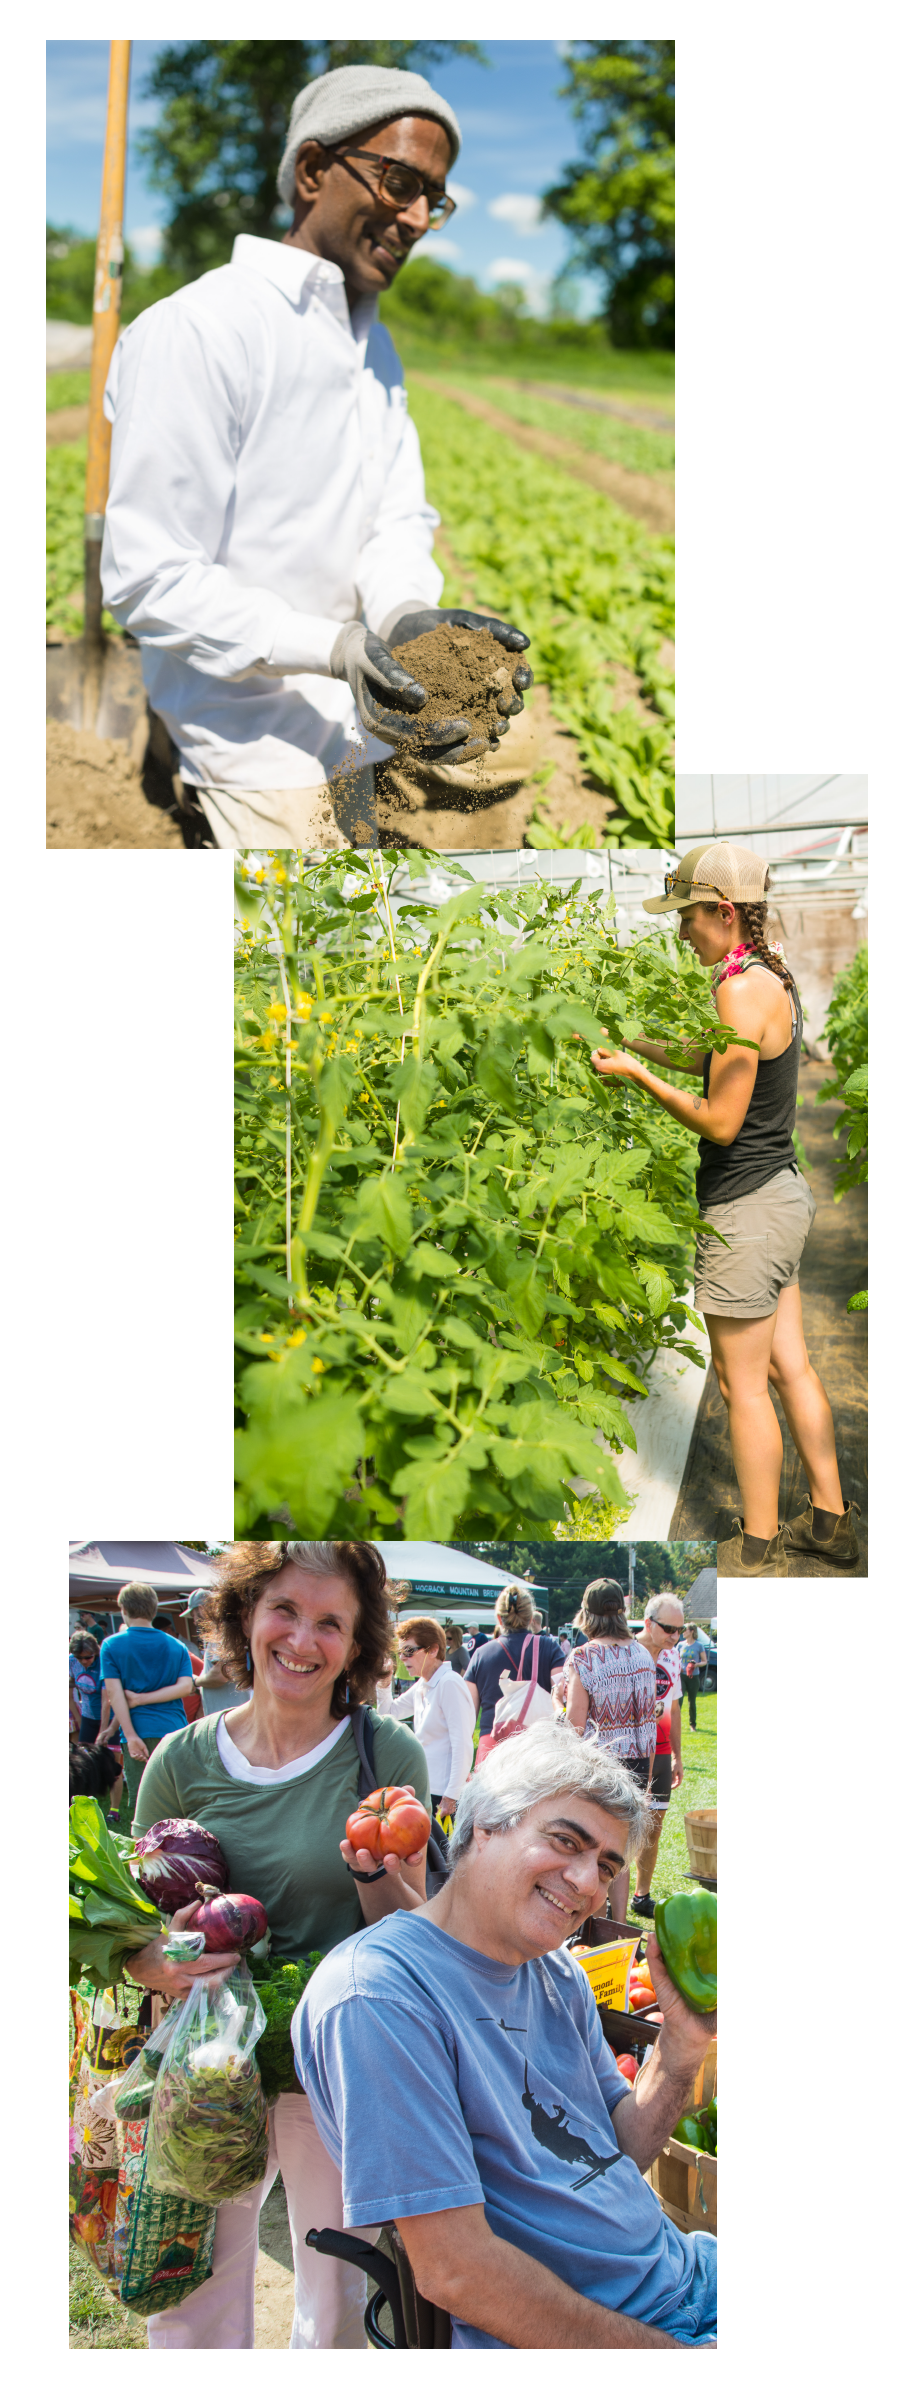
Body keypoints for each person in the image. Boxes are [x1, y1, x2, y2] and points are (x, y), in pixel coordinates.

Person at [99, 63, 532, 854]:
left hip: (355, 703)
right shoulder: (201, 329)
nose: (414, 218)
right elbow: (148, 575)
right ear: (310, 171)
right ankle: (179, 769)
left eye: (432, 199)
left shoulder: (374, 341)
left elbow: (396, 517)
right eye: (397, 182)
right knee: (319, 945)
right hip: (242, 719)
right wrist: (330, 648)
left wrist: (404, 618)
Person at [295, 1720, 716, 2350]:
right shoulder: (378, 1998)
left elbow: (613, 2157)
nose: (587, 1884)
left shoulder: (555, 1973)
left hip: (686, 2275)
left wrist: (680, 2052)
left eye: (606, 1866)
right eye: (565, 1841)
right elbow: (457, 2272)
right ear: (486, 1823)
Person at [124, 1539, 430, 2351]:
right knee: (191, 2293)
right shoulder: (181, 1758)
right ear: (245, 1615)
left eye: (330, 1622)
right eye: (285, 1610)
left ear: (359, 1647)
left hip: (332, 2066)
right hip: (206, 2063)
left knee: (333, 2300)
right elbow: (133, 1924)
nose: (301, 1639)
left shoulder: (384, 1755)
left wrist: (371, 1873)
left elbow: (413, 1929)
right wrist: (158, 1958)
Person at [589, 840, 857, 1578]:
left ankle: (761, 1539)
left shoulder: (739, 990)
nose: (681, 933)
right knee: (790, 1366)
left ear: (725, 911)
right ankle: (832, 1520)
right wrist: (640, 1043)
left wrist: (637, 1074)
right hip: (781, 1197)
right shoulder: (767, 976)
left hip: (745, 1210)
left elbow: (719, 1120)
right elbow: (718, 1057)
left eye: (687, 917)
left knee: (742, 1385)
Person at [562, 1581, 656, 1923]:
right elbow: (649, 1716)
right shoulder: (643, 1654)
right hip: (638, 1766)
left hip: (600, 1766)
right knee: (620, 1853)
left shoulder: (584, 1657)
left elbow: (575, 1724)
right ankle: (617, 1926)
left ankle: (594, 1927)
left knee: (593, 1854)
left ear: (586, 1615)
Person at [98, 1584, 196, 1826]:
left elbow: (114, 1694)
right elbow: (186, 1687)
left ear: (123, 1610)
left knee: (146, 1813)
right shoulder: (177, 1645)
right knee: (180, 1806)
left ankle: (149, 1863)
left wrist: (129, 1734)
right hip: (176, 1731)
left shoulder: (111, 1645)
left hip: (139, 1733)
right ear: (154, 1609)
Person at [376, 1616, 476, 1820]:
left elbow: (463, 1743)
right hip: (426, 1788)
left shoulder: (448, 1683)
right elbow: (389, 1714)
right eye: (400, 1652)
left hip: (443, 1794)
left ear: (432, 1650)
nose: (403, 1658)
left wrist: (452, 1795)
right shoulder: (424, 1683)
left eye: (409, 1651)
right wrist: (384, 1684)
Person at [627, 1599, 684, 1921]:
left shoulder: (673, 1657)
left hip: (661, 1751)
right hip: (629, 1750)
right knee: (619, 1826)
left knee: (653, 1829)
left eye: (679, 1630)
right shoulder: (627, 1651)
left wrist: (678, 1755)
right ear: (648, 1623)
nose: (675, 1636)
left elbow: (673, 1709)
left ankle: (641, 1895)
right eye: (669, 1629)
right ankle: (608, 1897)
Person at [464, 1588, 565, 1762]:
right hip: (537, 1745)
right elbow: (562, 1694)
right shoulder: (550, 1648)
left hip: (492, 1745)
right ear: (531, 1617)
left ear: (498, 1618)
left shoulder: (480, 1655)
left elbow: (466, 1715)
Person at [69, 1631, 104, 1744]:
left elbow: (108, 1700)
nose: (84, 1661)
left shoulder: (103, 1661)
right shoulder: (72, 1661)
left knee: (108, 1757)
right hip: (87, 1716)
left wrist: (103, 1730)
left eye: (88, 1657)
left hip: (109, 1716)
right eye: (79, 1657)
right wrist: (79, 1720)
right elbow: (68, 1695)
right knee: (84, 1755)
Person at [677, 1626, 708, 1733]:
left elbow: (704, 1661)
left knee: (692, 1702)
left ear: (692, 1631)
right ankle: (676, 1724)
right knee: (678, 1701)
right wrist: (678, 1667)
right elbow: (675, 1658)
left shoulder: (699, 1645)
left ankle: (692, 1725)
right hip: (681, 1676)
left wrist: (696, 1664)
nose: (683, 1632)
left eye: (685, 1630)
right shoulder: (680, 1644)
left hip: (693, 1677)